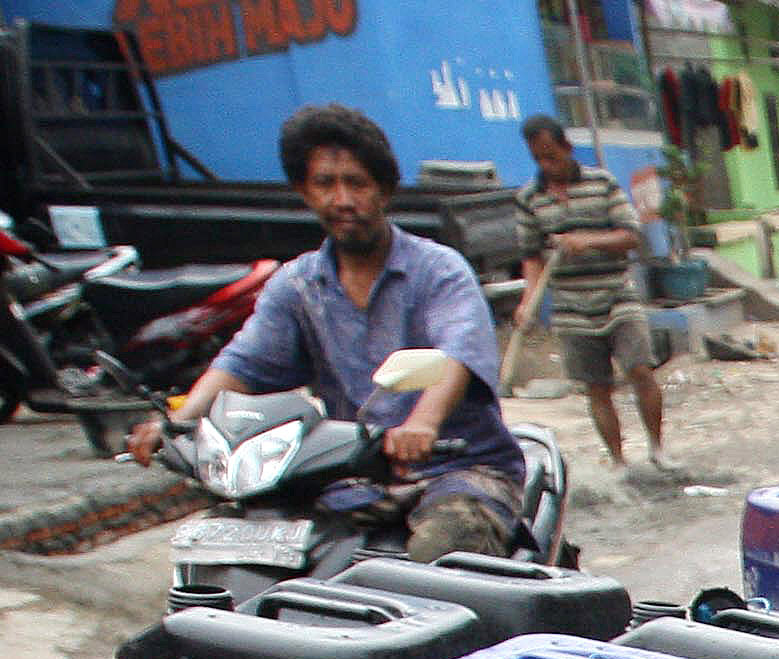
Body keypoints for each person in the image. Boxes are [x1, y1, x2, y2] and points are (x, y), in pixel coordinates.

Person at [128, 103, 523, 560]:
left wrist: (422, 424)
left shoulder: (438, 271)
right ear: (304, 191)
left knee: (441, 551)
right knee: (249, 549)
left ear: (383, 190)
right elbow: (243, 363)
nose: (342, 199)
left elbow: (458, 352)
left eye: (356, 183)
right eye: (325, 184)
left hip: (460, 470)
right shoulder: (297, 286)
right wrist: (175, 424)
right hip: (354, 478)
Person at [514, 114, 666, 475]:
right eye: (538, 159)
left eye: (551, 156)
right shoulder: (529, 198)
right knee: (596, 387)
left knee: (640, 370)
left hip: (616, 293)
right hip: (570, 305)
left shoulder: (602, 183)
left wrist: (588, 241)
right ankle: (618, 462)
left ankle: (658, 449)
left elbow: (631, 236)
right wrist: (528, 300)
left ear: (567, 147)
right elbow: (531, 256)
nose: (546, 165)